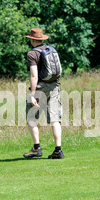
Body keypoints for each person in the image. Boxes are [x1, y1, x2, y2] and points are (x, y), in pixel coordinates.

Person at [23, 28, 64, 159]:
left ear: (33, 39)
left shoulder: (32, 54)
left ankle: (36, 148)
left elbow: (34, 76)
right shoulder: (51, 49)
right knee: (55, 119)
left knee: (31, 117)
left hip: (40, 87)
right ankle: (58, 150)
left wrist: (32, 94)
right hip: (54, 86)